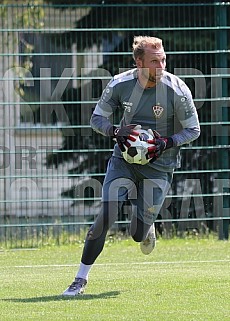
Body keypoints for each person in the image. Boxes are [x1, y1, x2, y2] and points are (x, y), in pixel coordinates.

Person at [62, 35, 200, 296]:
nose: (161, 67)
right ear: (138, 62)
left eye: (163, 60)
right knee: (105, 216)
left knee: (136, 234)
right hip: (123, 161)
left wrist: (167, 142)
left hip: (159, 167)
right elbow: (97, 119)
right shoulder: (119, 84)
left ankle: (146, 228)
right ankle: (79, 279)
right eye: (154, 61)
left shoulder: (177, 90)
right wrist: (115, 131)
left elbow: (193, 130)